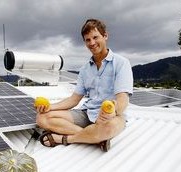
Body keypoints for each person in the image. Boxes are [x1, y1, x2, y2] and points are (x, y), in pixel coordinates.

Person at [35, 18, 133, 152]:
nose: (92, 43)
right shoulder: (84, 70)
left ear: (105, 36)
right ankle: (94, 138)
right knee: (42, 118)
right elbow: (73, 100)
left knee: (108, 128)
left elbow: (123, 99)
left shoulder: (122, 63)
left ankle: (64, 139)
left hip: (111, 116)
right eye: (87, 40)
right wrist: (50, 108)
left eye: (95, 37)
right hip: (87, 113)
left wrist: (113, 112)